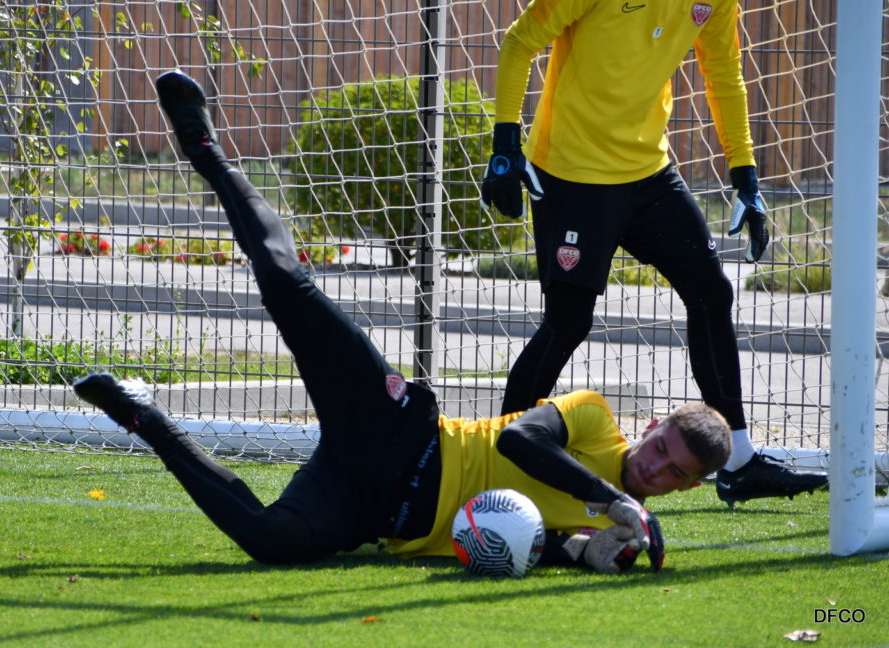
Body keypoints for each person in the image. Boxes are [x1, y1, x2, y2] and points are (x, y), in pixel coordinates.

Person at [73, 70, 732, 575]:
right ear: (652, 425)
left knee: (271, 542)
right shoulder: (592, 418)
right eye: (662, 448)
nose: (656, 469)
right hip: (398, 431)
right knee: (286, 285)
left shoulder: (617, 524)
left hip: (375, 509)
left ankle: (140, 414)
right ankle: (205, 148)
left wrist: (587, 551)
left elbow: (533, 542)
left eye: (673, 473)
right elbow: (518, 442)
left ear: (688, 488)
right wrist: (612, 498)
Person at [480, 0, 826, 507]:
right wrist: (506, 146)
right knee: (568, 322)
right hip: (573, 173)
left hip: (649, 173)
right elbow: (518, 42)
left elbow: (724, 73)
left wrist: (745, 174)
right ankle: (500, 460)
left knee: (711, 293)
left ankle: (738, 462)